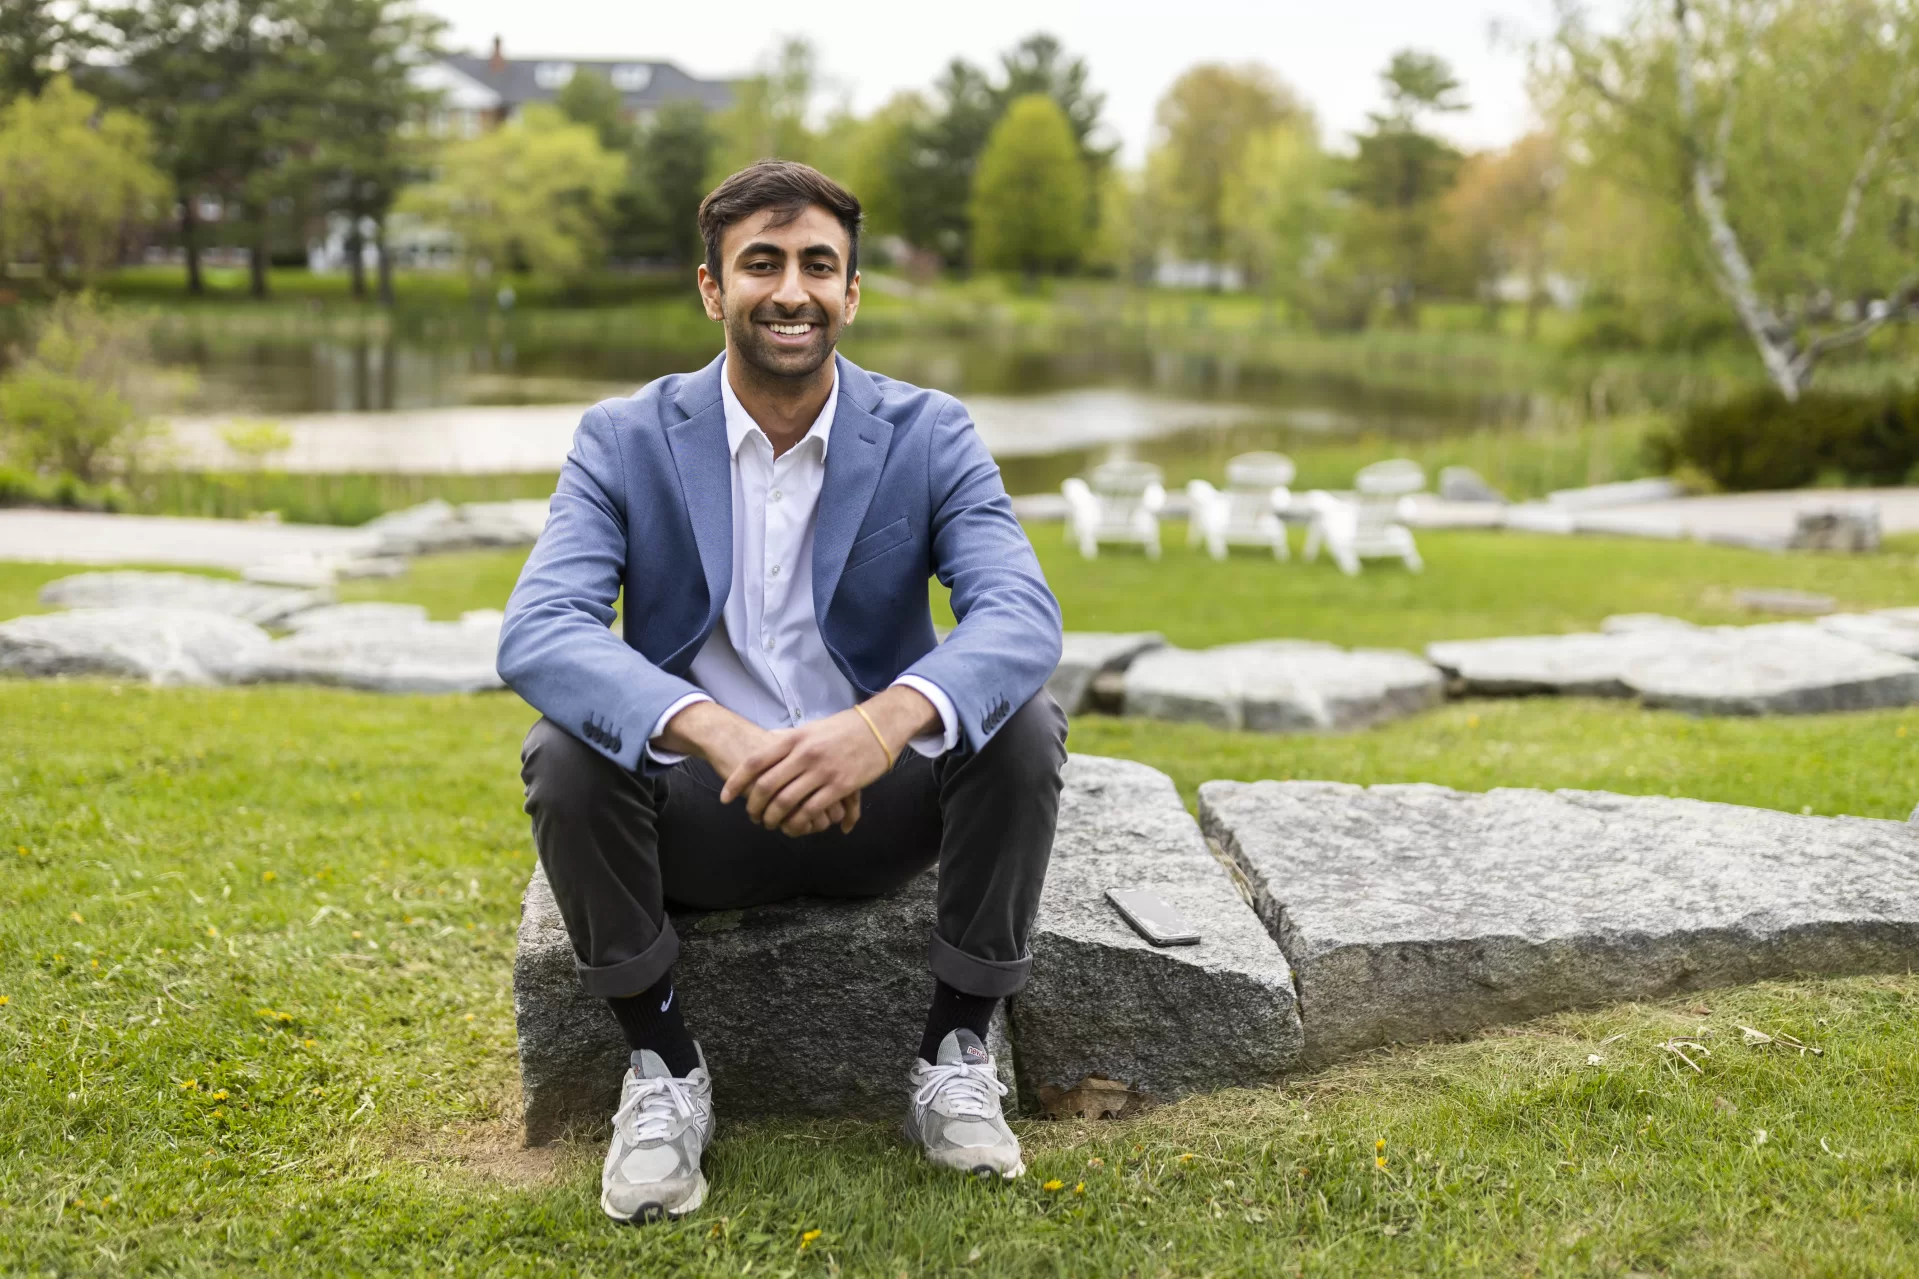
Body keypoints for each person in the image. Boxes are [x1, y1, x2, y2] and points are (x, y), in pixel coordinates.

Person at [497, 160, 1067, 1224]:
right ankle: (663, 1068)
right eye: (761, 263)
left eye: (818, 265)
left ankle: (953, 1051)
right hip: (696, 816)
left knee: (1023, 722)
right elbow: (537, 628)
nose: (791, 290)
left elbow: (1021, 616)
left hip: (881, 804)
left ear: (852, 292)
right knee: (563, 749)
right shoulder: (623, 439)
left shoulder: (929, 432)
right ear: (712, 288)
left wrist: (879, 724)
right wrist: (713, 731)